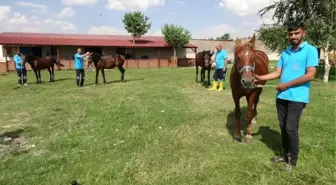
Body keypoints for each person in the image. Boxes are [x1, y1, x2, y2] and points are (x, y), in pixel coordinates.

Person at [253, 22, 318, 171]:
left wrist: (287, 85)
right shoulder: (286, 52)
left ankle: (292, 162)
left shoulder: (310, 50)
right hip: (282, 96)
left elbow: (310, 74)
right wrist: (259, 77)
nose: (293, 36)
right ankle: (286, 155)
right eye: (290, 34)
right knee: (283, 127)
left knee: (290, 129)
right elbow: (277, 73)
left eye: (296, 33)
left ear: (303, 33)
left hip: (297, 97)